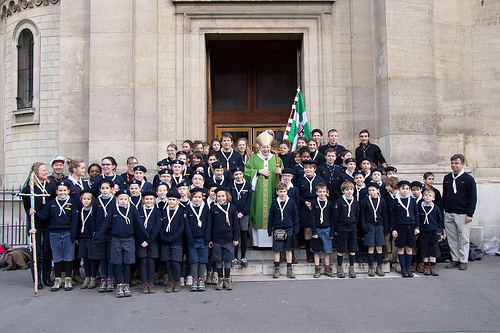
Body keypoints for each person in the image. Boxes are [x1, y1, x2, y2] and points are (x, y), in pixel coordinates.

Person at [94, 189, 149, 298]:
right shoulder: (113, 208)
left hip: (129, 239)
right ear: (117, 200)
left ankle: (126, 285)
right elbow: (106, 223)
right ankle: (119, 284)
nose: (123, 201)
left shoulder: (132, 209)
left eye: (125, 199)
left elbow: (139, 223)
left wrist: (146, 235)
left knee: (127, 263)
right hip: (116, 239)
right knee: (118, 263)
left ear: (128, 200)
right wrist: (98, 235)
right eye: (121, 199)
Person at [33, 181, 78, 291]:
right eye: (60, 191)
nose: (62, 193)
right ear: (56, 192)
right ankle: (57, 279)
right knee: (57, 257)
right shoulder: (51, 203)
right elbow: (43, 216)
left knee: (68, 257)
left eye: (64, 190)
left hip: (68, 233)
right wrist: (34, 212)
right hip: (54, 233)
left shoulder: (72, 203)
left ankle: (68, 279)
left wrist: (74, 234)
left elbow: (75, 220)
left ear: (68, 191)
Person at [244, 131, 283, 247]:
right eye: (263, 147)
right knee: (258, 214)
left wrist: (280, 173)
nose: (265, 149)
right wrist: (258, 172)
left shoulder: (277, 159)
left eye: (267, 147)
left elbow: (284, 179)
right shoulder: (253, 159)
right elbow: (246, 173)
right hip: (258, 195)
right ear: (259, 147)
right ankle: (259, 243)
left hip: (273, 193)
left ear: (271, 147)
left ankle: (272, 243)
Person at [22, 162, 56, 289]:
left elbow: (52, 201)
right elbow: (26, 203)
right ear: (36, 172)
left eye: (46, 170)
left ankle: (46, 277)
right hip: (35, 222)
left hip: (47, 221)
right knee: (36, 252)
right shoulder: (29, 187)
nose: (45, 172)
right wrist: (30, 212)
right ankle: (37, 279)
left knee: (47, 251)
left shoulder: (50, 185)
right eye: (43, 170)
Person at [442, 154, 477, 271]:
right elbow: (445, 195)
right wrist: (443, 210)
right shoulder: (447, 178)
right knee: (451, 237)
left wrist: (470, 214)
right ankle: (455, 258)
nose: (454, 165)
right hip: (449, 212)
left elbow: (473, 197)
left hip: (462, 213)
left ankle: (463, 260)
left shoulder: (468, 179)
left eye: (456, 163)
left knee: (463, 237)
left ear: (462, 164)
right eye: (452, 163)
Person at [296, 160, 326, 263]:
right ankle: (309, 254)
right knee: (307, 230)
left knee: (317, 229)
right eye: (306, 167)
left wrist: (315, 202)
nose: (308, 169)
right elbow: (297, 195)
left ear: (314, 169)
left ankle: (317, 252)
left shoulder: (319, 179)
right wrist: (305, 202)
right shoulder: (300, 180)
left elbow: (324, 193)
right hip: (305, 207)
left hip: (317, 206)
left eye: (310, 167)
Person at [268, 183, 299, 279]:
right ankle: (276, 268)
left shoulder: (291, 202)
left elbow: (295, 216)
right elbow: (271, 217)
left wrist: (296, 229)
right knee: (277, 250)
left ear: (287, 192)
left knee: (288, 250)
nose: (282, 193)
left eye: (284, 191)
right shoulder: (274, 203)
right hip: (278, 229)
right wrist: (269, 229)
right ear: (277, 192)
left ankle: (289, 268)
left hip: (289, 228)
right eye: (280, 191)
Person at [210, 187, 239, 290]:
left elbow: (236, 225)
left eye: (223, 196)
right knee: (218, 259)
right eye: (219, 196)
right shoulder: (213, 208)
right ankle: (220, 279)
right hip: (217, 239)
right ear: (216, 197)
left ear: (227, 196)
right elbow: (210, 225)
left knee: (227, 259)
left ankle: (227, 279)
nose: (221, 198)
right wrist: (210, 239)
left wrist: (235, 238)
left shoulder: (232, 208)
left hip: (228, 238)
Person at [90, 178, 116, 292]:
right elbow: (93, 217)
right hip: (100, 233)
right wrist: (94, 231)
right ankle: (103, 278)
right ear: (99, 189)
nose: (105, 191)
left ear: (111, 189)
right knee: (102, 257)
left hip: (111, 232)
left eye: (107, 188)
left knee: (110, 257)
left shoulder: (115, 201)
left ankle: (110, 278)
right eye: (102, 188)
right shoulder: (96, 202)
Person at [185, 188, 211, 291]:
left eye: (199, 197)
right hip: (192, 240)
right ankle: (194, 279)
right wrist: (190, 238)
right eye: (195, 197)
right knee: (194, 260)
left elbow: (208, 224)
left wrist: (207, 238)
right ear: (191, 197)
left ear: (202, 198)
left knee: (203, 260)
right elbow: (186, 225)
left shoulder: (205, 208)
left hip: (203, 239)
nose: (197, 199)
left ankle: (201, 280)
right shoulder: (187, 208)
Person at [360, 182, 389, 277]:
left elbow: (385, 214)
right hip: (369, 225)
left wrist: (385, 226)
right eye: (369, 190)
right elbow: (362, 215)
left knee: (379, 247)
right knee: (371, 247)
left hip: (379, 225)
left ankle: (379, 266)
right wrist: (364, 226)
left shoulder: (382, 200)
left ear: (378, 190)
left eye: (373, 190)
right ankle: (371, 266)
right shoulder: (365, 200)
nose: (371, 192)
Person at [391, 180, 419, 278]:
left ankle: (408, 268)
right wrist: (394, 229)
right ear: (399, 189)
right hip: (400, 226)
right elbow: (393, 216)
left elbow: (416, 214)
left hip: (411, 226)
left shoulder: (412, 201)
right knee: (401, 247)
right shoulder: (395, 201)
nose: (405, 191)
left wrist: (417, 227)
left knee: (409, 248)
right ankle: (402, 268)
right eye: (403, 189)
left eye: (407, 189)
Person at [160, 190, 186, 293]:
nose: (171, 201)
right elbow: (160, 226)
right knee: (168, 262)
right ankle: (170, 282)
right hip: (165, 240)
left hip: (177, 241)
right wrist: (163, 237)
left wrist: (173, 238)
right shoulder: (163, 211)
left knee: (176, 262)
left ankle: (177, 282)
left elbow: (181, 227)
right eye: (169, 199)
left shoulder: (181, 211)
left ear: (178, 200)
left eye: (173, 200)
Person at [334, 181, 359, 278]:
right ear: (343, 191)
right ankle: (340, 268)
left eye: (351, 189)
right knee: (341, 249)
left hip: (352, 228)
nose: (349, 192)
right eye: (347, 190)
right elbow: (336, 216)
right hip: (342, 228)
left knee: (352, 249)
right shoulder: (339, 201)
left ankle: (351, 268)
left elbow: (357, 215)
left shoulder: (355, 202)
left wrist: (354, 224)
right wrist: (336, 229)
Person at [310, 183, 335, 278]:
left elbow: (333, 218)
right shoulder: (314, 203)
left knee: (327, 250)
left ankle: (327, 268)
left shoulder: (330, 204)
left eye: (323, 192)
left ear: (326, 192)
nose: (322, 194)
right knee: (317, 250)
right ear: (316, 192)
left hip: (327, 229)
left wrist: (332, 231)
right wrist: (314, 232)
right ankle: (317, 268)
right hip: (317, 229)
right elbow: (312, 218)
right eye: (320, 192)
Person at [229, 166, 252, 267]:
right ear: (233, 176)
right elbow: (230, 199)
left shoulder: (247, 184)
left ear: (243, 174)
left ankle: (243, 257)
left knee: (243, 234)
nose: (238, 176)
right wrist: (235, 212)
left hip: (244, 214)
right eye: (236, 174)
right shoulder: (231, 185)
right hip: (234, 214)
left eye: (240, 174)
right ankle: (234, 257)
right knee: (234, 234)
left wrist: (243, 212)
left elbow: (249, 200)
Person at [418, 189, 443, 276]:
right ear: (423, 197)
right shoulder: (420, 206)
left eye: (430, 196)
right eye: (426, 195)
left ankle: (433, 266)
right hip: (424, 231)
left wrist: (441, 232)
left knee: (433, 249)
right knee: (424, 249)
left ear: (433, 198)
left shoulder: (435, 208)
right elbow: (418, 219)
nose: (427, 197)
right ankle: (426, 266)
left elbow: (439, 221)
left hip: (434, 231)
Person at [77, 189, 97, 289]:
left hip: (91, 237)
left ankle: (93, 277)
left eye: (88, 199)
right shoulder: (80, 211)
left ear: (92, 200)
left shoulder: (93, 210)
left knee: (92, 258)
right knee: (85, 258)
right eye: (84, 199)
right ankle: (87, 276)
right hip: (83, 237)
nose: (86, 201)